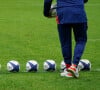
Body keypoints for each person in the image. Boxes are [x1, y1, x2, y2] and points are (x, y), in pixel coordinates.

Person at [43, 0, 88, 78]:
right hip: (79, 12)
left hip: (63, 13)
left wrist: (46, 13)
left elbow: (47, 1)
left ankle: (68, 68)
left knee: (65, 42)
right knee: (81, 40)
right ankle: (74, 66)